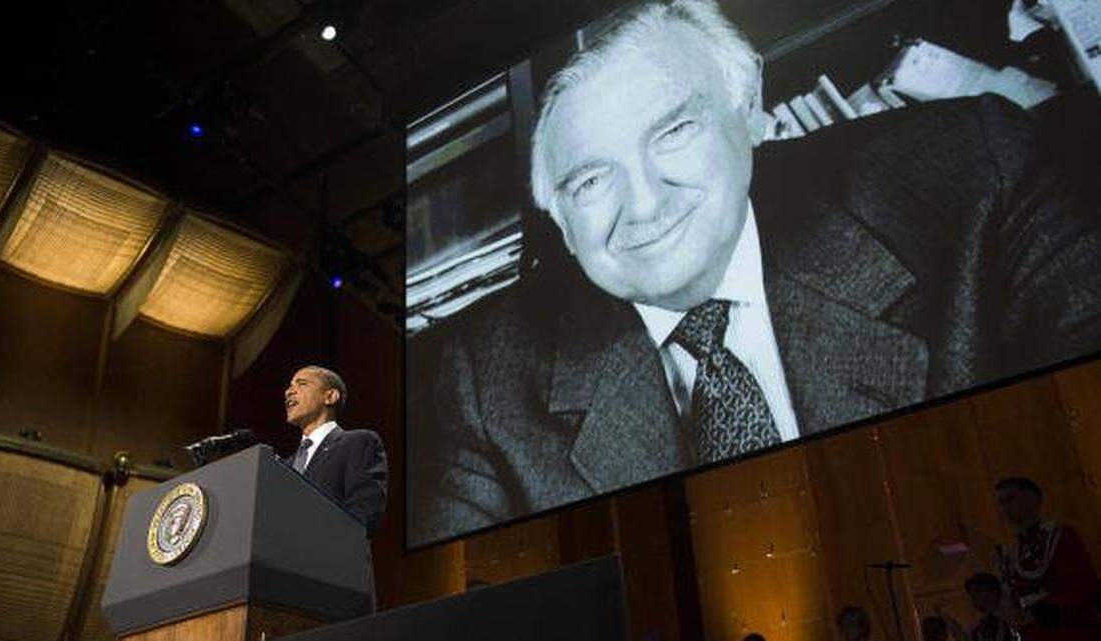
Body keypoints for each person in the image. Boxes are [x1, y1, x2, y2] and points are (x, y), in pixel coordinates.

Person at [405, 0, 1101, 546]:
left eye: (674, 131)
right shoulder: (481, 379)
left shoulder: (972, 172)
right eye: (590, 180)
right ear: (558, 219)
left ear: (750, 113)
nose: (644, 206)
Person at [284, 364, 388, 536]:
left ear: (330, 396)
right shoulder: (284, 465)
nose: (289, 391)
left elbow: (365, 513)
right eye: (289, 386)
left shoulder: (358, 442)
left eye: (301, 384)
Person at [994, 477, 1099, 641]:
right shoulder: (1011, 554)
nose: (1004, 508)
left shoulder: (1059, 536)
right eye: (1000, 503)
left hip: (1071, 630)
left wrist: (1045, 611)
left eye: (1010, 498)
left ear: (1032, 498)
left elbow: (1082, 584)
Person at [962, 572, 1020, 641]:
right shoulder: (978, 628)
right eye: (971, 593)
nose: (973, 596)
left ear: (994, 592)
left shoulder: (1013, 619)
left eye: (978, 591)